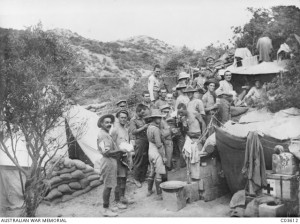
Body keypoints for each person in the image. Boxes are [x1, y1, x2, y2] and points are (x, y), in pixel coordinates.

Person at [96, 114, 127, 217]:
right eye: (106, 122)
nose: (109, 124)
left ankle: (109, 206)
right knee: (108, 186)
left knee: (111, 184)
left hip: (112, 161)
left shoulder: (106, 133)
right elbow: (107, 152)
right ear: (101, 124)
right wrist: (120, 150)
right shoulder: (103, 135)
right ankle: (105, 209)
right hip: (108, 162)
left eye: (110, 122)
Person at [110, 110, 133, 207]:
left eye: (125, 117)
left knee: (124, 178)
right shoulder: (115, 129)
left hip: (125, 157)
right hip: (117, 157)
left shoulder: (126, 129)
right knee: (119, 179)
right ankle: (117, 200)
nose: (123, 119)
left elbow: (126, 143)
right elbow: (111, 143)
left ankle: (122, 197)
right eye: (121, 117)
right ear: (118, 118)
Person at [146, 109, 167, 200]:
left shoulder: (149, 127)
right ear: (154, 118)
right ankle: (159, 194)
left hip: (150, 150)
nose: (160, 119)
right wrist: (163, 157)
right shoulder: (156, 129)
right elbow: (159, 145)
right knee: (158, 173)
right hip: (156, 151)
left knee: (152, 171)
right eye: (158, 118)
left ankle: (149, 190)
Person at [129, 104, 149, 188]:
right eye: (142, 112)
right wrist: (144, 127)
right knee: (138, 160)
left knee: (145, 159)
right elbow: (133, 131)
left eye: (144, 112)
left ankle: (143, 177)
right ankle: (136, 179)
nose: (143, 114)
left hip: (146, 140)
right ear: (137, 112)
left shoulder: (144, 118)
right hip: (139, 141)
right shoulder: (133, 120)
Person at [159, 104, 173, 171]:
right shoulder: (160, 121)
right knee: (167, 157)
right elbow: (161, 134)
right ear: (161, 112)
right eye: (165, 112)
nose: (166, 113)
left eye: (167, 112)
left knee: (169, 156)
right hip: (166, 141)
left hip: (169, 140)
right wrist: (170, 131)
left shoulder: (165, 120)